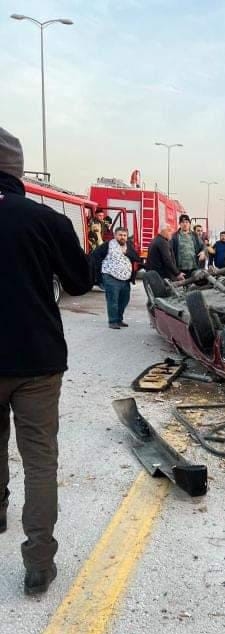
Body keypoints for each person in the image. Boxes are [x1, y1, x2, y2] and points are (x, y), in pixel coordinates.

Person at [0, 127, 93, 595]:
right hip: (37, 362)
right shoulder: (44, 220)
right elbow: (78, 283)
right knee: (40, 461)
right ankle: (38, 564)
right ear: (18, 170)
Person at [91, 227, 140, 329]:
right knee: (113, 300)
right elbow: (95, 256)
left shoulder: (128, 246)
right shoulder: (108, 245)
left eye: (124, 235)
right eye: (120, 235)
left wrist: (127, 252)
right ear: (115, 235)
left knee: (124, 300)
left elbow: (136, 257)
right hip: (110, 277)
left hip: (125, 279)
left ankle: (119, 319)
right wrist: (99, 273)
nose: (122, 237)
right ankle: (113, 321)